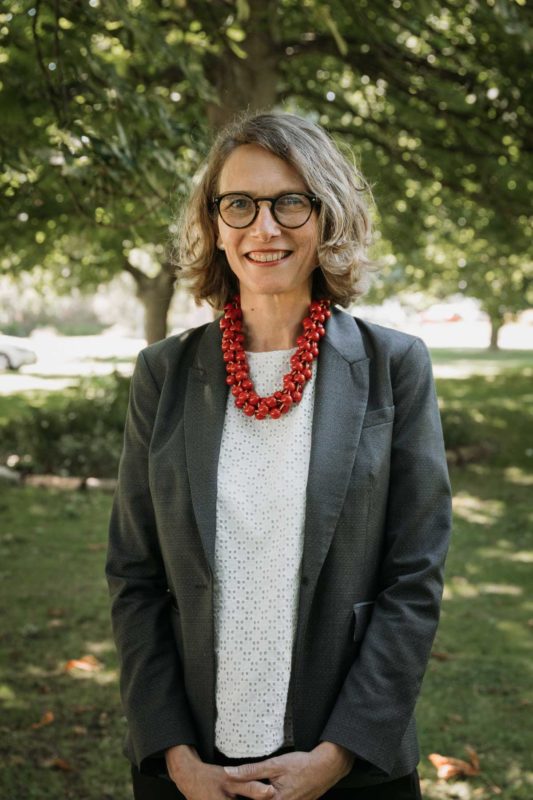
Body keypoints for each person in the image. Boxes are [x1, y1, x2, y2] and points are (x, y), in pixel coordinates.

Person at [106, 111, 452, 800]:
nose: (264, 228)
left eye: (290, 201)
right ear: (214, 223)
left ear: (326, 216)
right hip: (194, 764)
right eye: (240, 204)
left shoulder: (394, 367)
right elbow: (134, 577)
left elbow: (412, 580)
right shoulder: (162, 373)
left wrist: (336, 755)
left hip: (350, 765)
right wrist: (175, 758)